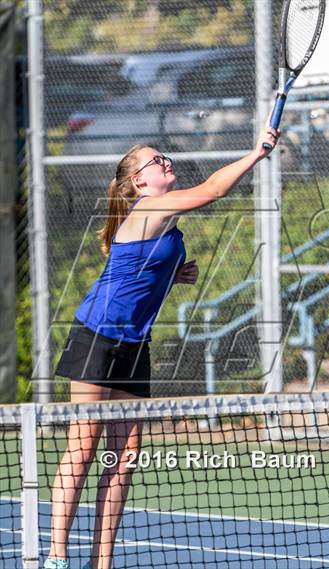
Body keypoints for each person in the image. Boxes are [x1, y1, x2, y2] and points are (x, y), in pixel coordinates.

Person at [43, 124, 280, 569]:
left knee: (124, 456)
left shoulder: (161, 218)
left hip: (134, 344)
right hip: (97, 336)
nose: (165, 161)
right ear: (140, 182)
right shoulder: (152, 206)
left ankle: (102, 561)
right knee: (84, 446)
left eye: (163, 156)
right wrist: (257, 153)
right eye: (156, 161)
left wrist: (172, 274)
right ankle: (57, 555)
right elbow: (212, 189)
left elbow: (133, 272)